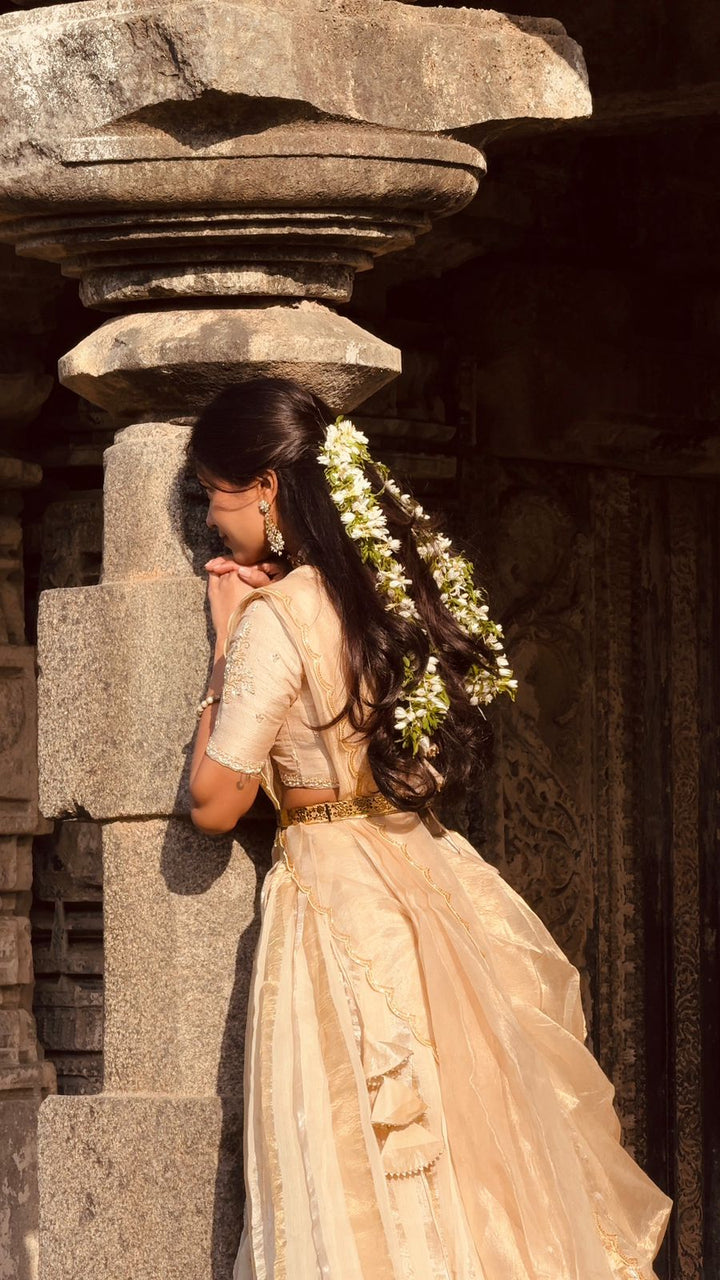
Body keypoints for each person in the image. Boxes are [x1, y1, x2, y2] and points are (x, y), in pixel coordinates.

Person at [187, 377, 672, 1280]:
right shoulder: (388, 597)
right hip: (429, 877)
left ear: (266, 489)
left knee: (354, 1159)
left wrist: (222, 648)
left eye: (216, 493)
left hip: (336, 896)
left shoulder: (278, 619)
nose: (213, 518)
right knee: (475, 1156)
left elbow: (216, 802)